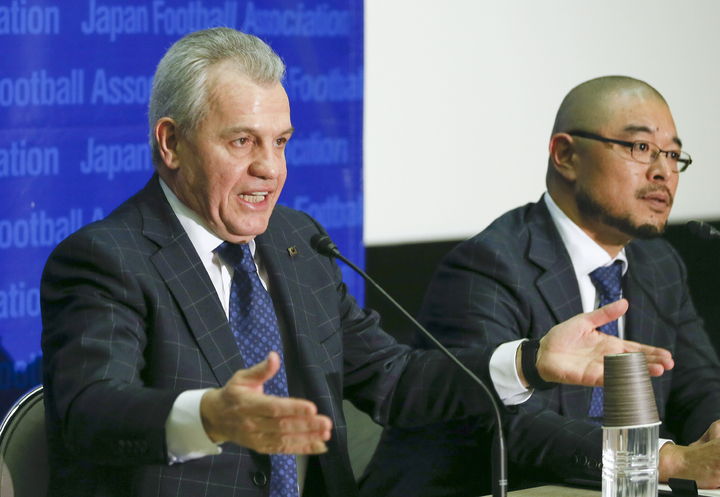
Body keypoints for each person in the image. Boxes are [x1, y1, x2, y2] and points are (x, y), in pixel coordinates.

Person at [40, 31, 672, 497]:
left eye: (280, 142)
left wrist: (530, 360)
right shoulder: (107, 259)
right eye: (242, 142)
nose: (270, 168)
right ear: (171, 142)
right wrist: (208, 417)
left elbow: (396, 381)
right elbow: (90, 412)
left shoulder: (298, 243)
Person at [360, 75, 720, 496]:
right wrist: (663, 460)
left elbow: (697, 383)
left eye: (673, 154)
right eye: (640, 148)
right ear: (565, 155)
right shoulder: (489, 265)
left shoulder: (658, 263)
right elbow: (509, 424)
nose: (663, 172)